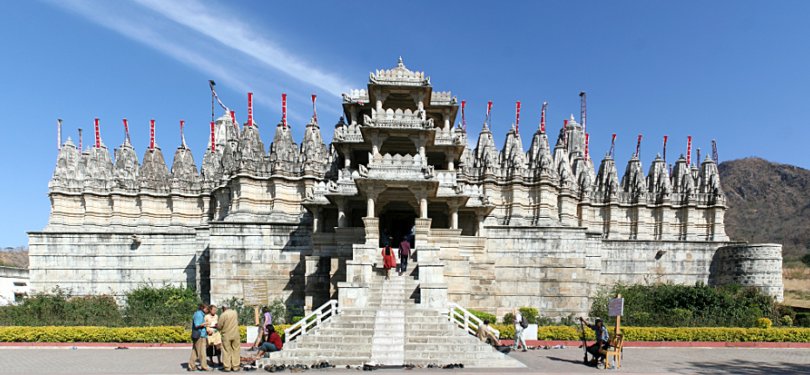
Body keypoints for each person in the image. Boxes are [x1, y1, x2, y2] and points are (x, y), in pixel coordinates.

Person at [217, 304, 241, 372]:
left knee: (226, 351)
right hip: (236, 334)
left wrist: (217, 327)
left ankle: (227, 367)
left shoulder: (223, 315)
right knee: (236, 350)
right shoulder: (235, 312)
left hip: (226, 335)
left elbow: (219, 326)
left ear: (223, 308)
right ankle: (235, 366)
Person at [188, 303, 209, 372]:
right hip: (200, 335)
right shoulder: (199, 315)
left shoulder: (200, 314)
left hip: (200, 334)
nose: (207, 310)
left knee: (195, 351)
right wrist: (204, 324)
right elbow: (197, 325)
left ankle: (191, 365)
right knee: (202, 352)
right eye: (207, 309)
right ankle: (204, 366)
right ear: (202, 308)